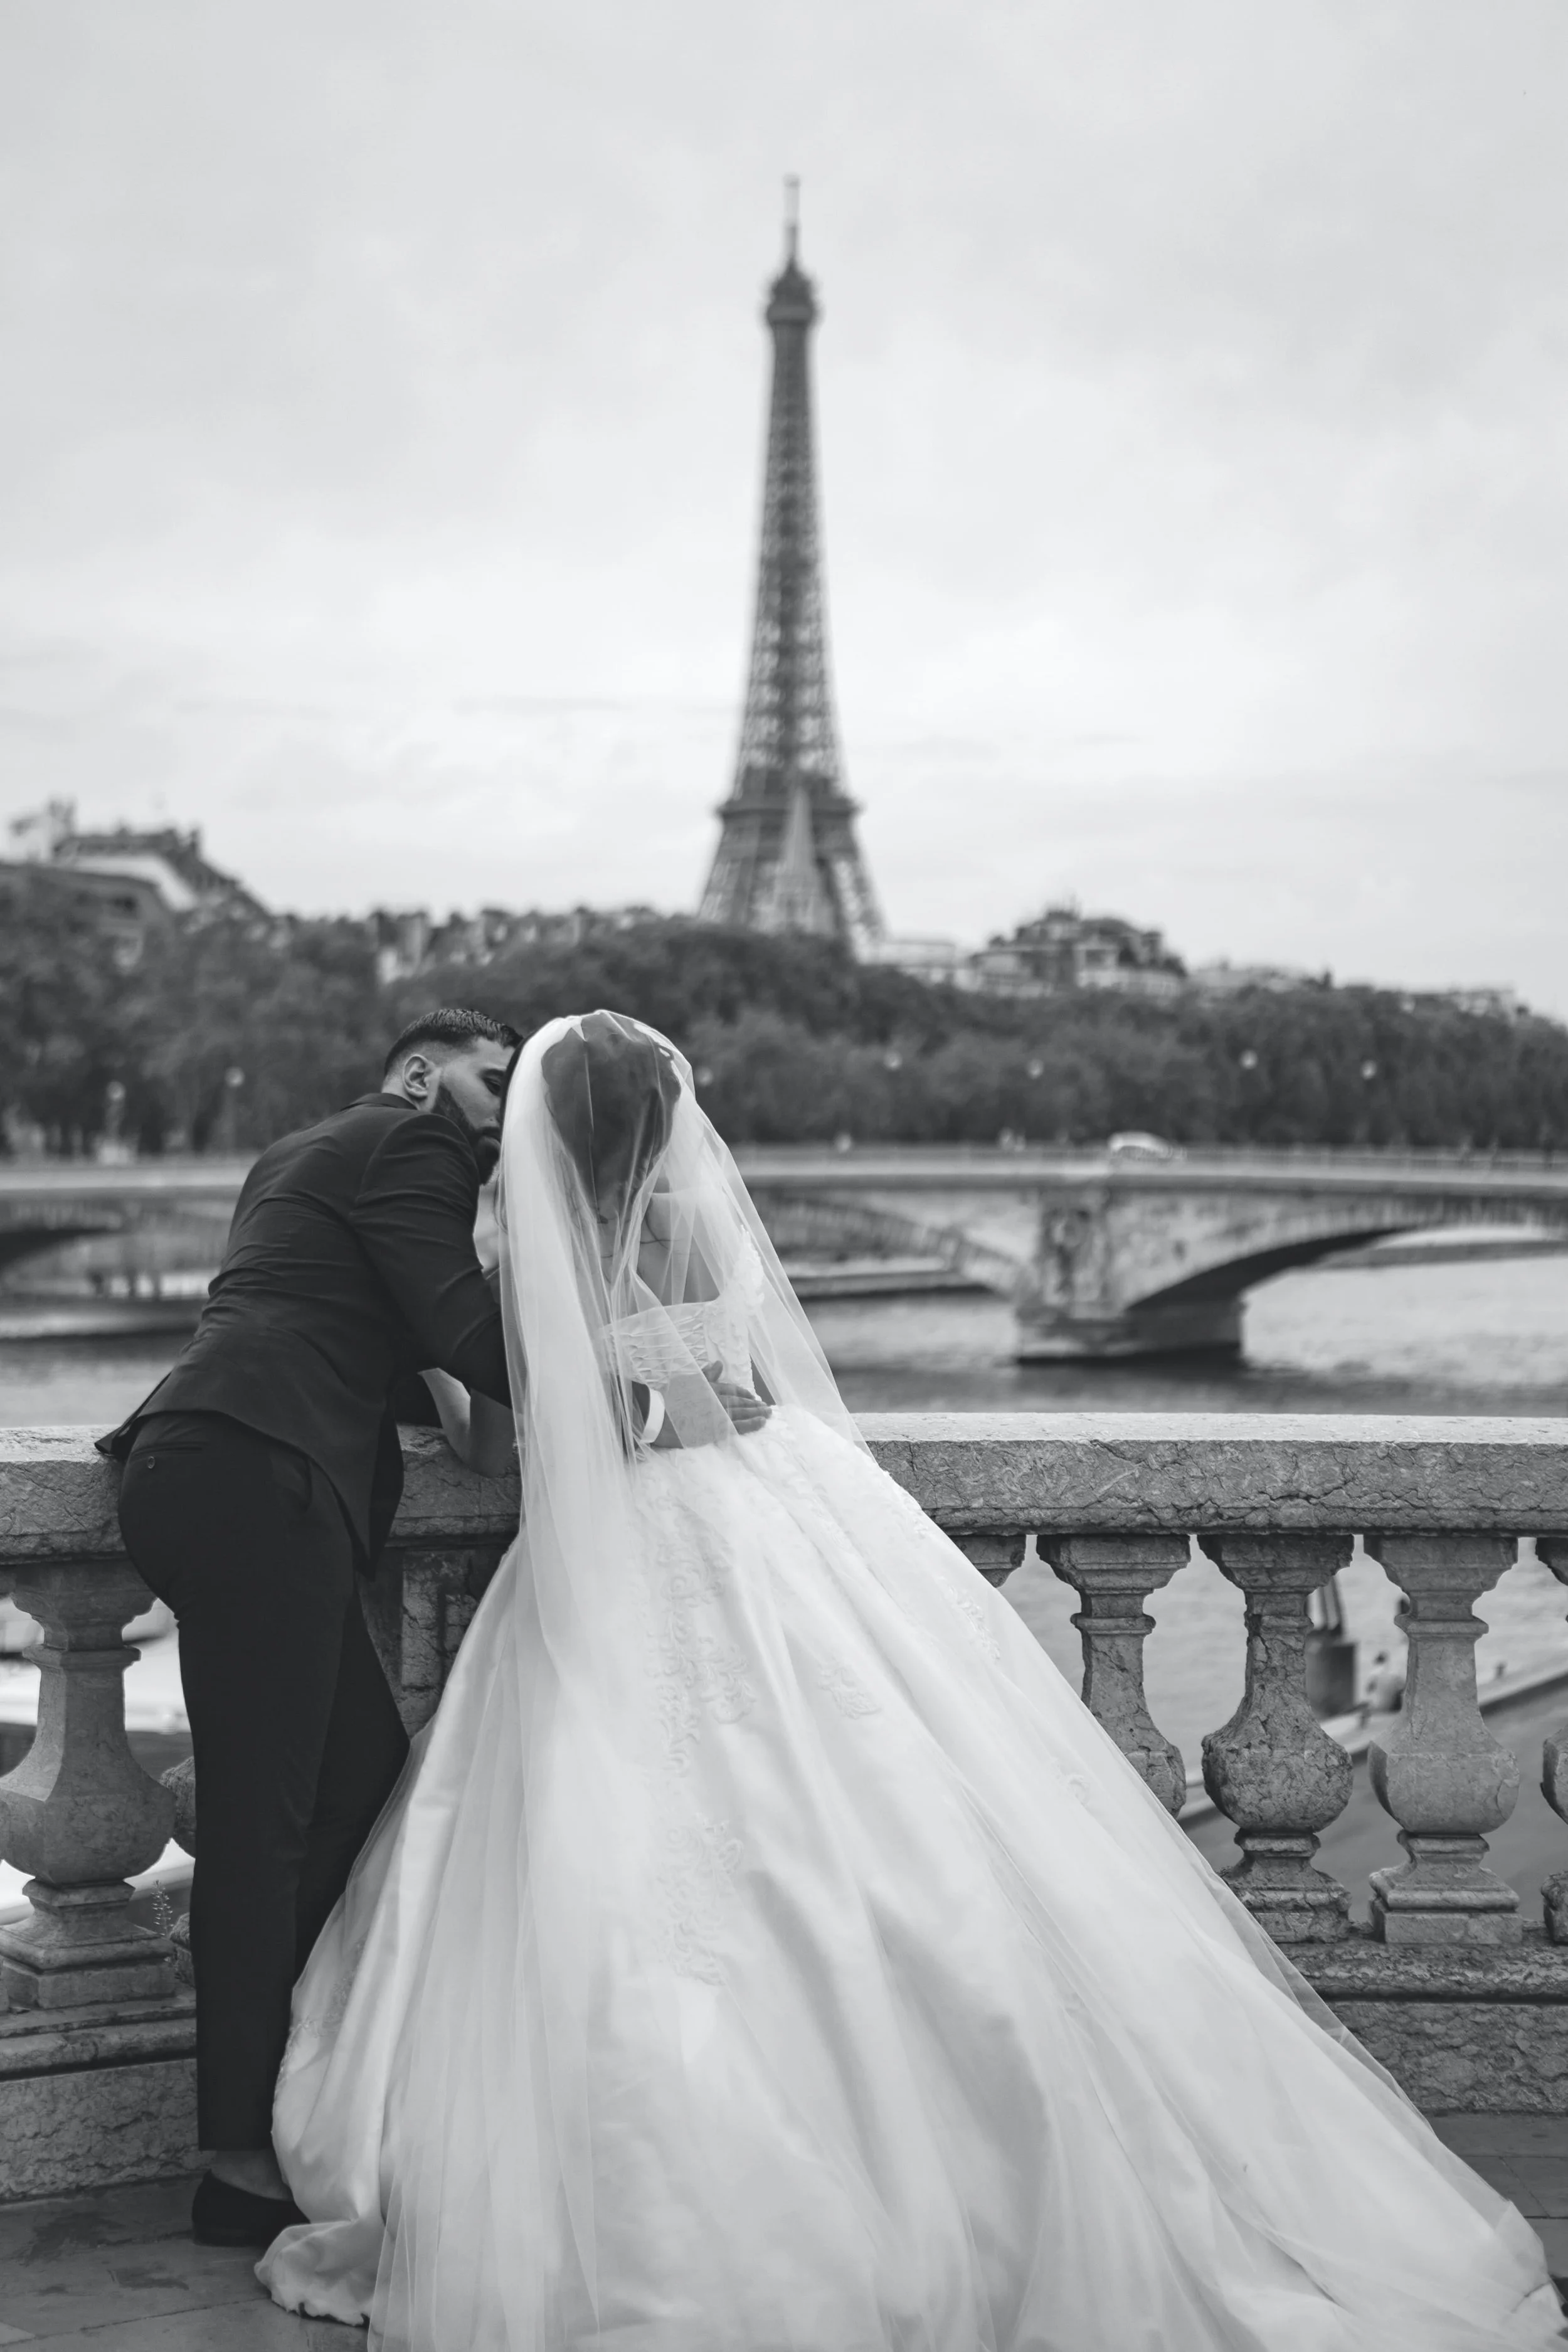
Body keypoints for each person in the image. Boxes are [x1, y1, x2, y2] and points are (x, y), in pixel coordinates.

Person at [259, 1012, 1563, 2349]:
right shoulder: (693, 1221)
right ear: (666, 1121)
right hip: (780, 1516)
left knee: (624, 1835)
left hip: (623, 1553)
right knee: (907, 1791)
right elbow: (740, 1390)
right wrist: (671, 1394)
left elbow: (509, 1444)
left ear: (542, 1126)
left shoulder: (519, 1245)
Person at [104, 1005, 519, 2250]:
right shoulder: (410, 1143)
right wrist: (657, 1379)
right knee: (261, 1826)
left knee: (355, 1780)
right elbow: (477, 1342)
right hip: (254, 1482)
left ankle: (300, 2081)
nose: (508, 1108)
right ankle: (237, 2160)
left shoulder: (302, 1160)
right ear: (417, 1073)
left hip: (217, 1469)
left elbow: (428, 1376)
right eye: (493, 1079)